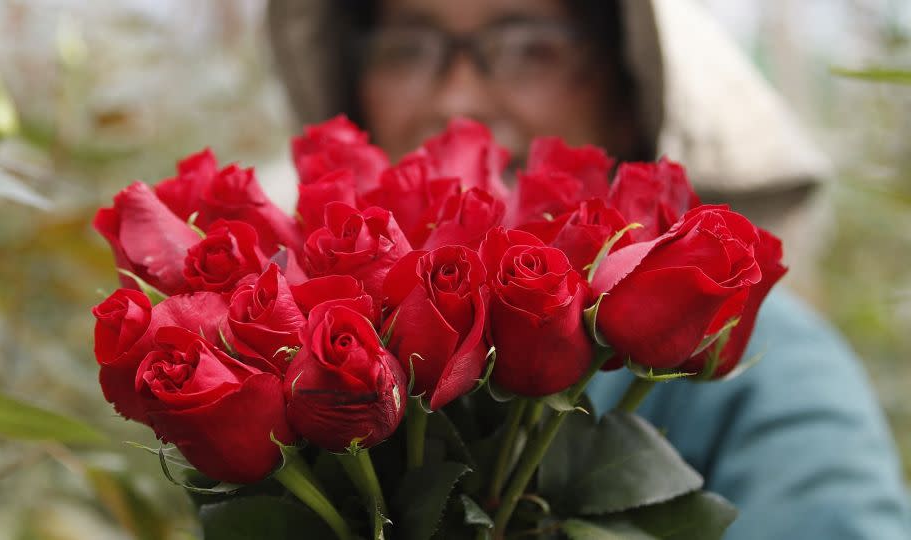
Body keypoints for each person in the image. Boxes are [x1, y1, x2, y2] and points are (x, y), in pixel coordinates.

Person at [265, 0, 911, 537]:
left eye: (529, 45)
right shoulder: (300, 353)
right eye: (406, 46)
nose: (456, 100)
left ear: (627, 90)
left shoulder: (771, 373)